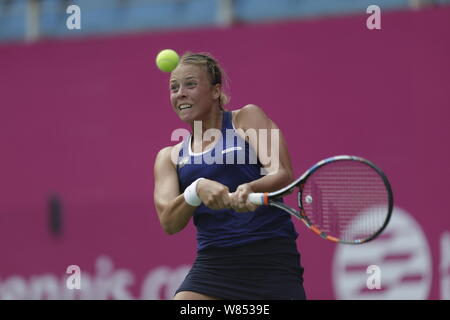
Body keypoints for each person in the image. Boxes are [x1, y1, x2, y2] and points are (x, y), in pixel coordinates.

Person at [153, 52, 306, 300]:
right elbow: (169, 222)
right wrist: (196, 190)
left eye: (190, 84)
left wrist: (249, 188)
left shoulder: (247, 118)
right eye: (174, 87)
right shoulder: (169, 157)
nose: (180, 93)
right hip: (214, 264)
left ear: (215, 91)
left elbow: (282, 174)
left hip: (270, 258)